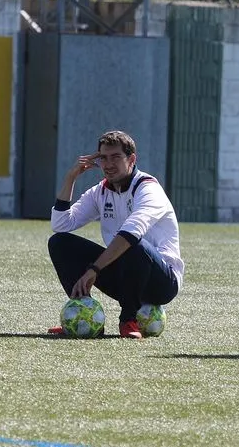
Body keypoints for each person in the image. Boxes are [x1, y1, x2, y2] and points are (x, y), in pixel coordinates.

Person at [47, 130, 184, 339]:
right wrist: (70, 178)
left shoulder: (148, 189)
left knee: (133, 244)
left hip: (161, 283)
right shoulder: (100, 192)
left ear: (131, 159)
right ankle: (85, 315)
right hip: (124, 276)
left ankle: (128, 320)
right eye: (103, 158)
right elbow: (61, 224)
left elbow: (131, 234)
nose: (108, 164)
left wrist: (94, 268)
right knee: (59, 243)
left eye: (116, 157)